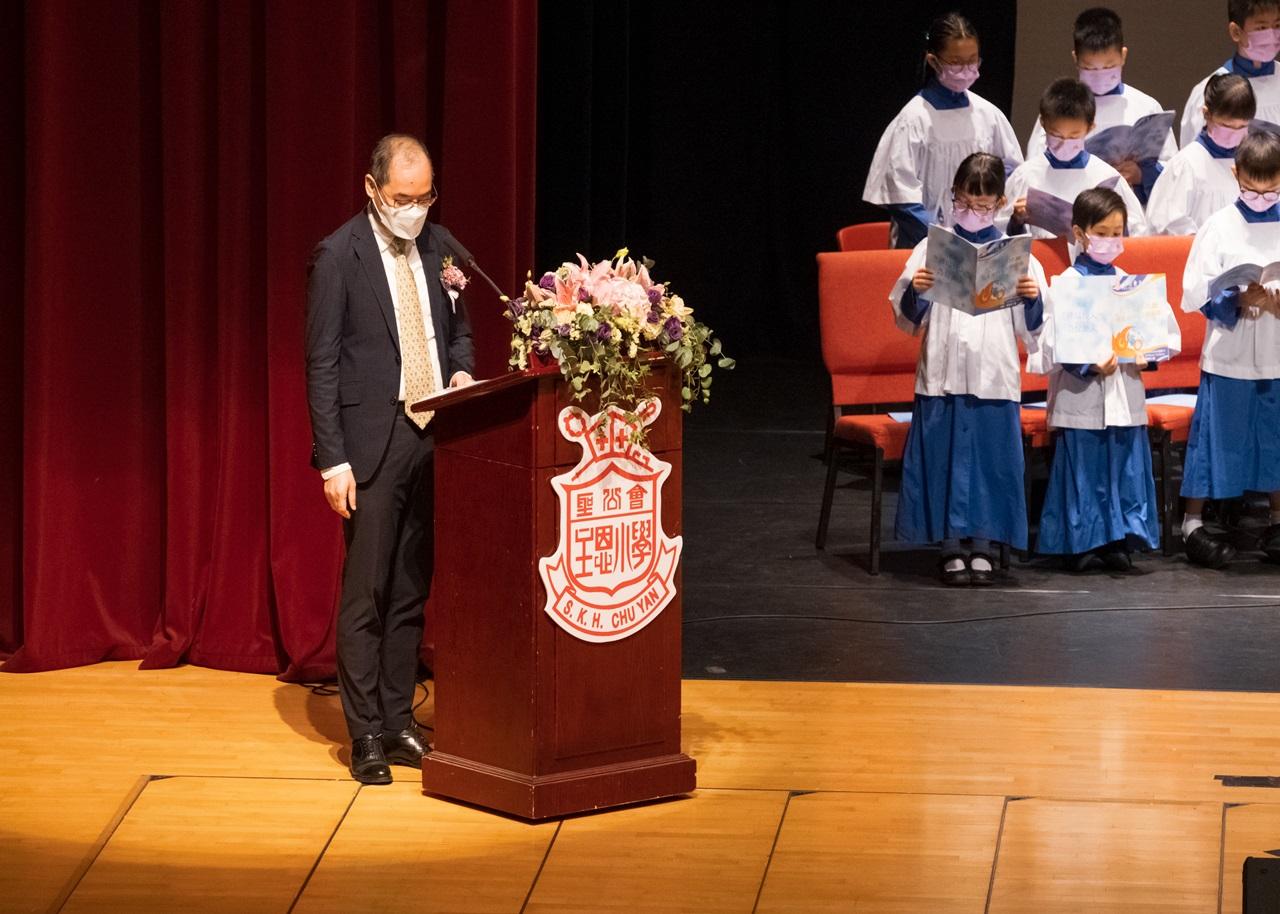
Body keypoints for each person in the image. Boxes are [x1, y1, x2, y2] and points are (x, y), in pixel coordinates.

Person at [305, 134, 476, 783]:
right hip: (372, 443)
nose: (415, 210)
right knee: (368, 593)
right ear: (373, 190)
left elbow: (459, 331)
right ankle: (366, 733)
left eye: (425, 197)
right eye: (403, 198)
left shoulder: (441, 245)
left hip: (432, 434)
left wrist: (462, 373)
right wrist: (333, 461)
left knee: (410, 588)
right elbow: (321, 364)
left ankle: (400, 719)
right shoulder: (338, 256)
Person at [889, 152, 1047, 585]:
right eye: (963, 202)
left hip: (992, 374)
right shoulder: (931, 249)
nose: (971, 211)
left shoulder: (1018, 257)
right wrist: (918, 290)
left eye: (982, 205)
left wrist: (1032, 299)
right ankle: (949, 546)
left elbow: (1035, 328)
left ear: (999, 203)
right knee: (944, 460)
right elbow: (907, 316)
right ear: (953, 196)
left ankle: (983, 545)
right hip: (943, 371)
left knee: (990, 463)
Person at [1035, 188, 1180, 569]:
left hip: (1123, 390)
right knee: (1085, 468)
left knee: (1122, 465)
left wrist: (1147, 355)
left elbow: (1164, 334)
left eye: (1118, 233)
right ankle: (1082, 543)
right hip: (1081, 394)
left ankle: (1117, 540)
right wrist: (1087, 364)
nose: (1111, 241)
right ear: (1080, 233)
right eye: (1102, 233)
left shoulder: (1131, 284)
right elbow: (1049, 341)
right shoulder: (1066, 284)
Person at [1178, 131, 1280, 568]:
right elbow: (1194, 291)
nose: (1261, 199)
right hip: (1230, 352)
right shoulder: (1218, 225)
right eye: (1252, 190)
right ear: (1236, 174)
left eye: (1271, 191)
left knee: (1274, 437)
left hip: (1274, 349)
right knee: (1215, 439)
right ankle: (1192, 523)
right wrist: (1237, 299)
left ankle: (1276, 519)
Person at [863, 12, 1023, 249]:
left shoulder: (988, 115)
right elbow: (900, 194)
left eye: (972, 61)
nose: (966, 70)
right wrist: (943, 237)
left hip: (980, 239)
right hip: (925, 243)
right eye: (956, 63)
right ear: (933, 60)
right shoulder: (914, 119)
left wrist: (987, 221)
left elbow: (1011, 173)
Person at [1024, 8, 1175, 207]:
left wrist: (1141, 174)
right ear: (1075, 59)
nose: (1100, 76)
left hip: (1124, 209)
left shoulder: (1146, 106)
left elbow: (1173, 169)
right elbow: (1036, 166)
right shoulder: (1061, 107)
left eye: (1109, 67)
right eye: (1089, 68)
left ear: (1123, 56)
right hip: (1073, 205)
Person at [1003, 77, 1149, 244]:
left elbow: (1137, 234)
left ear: (1090, 128)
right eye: (1056, 136)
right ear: (1043, 124)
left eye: (1074, 137)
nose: (1064, 144)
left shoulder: (1106, 178)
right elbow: (1000, 233)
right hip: (1039, 259)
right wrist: (1016, 221)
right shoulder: (1025, 176)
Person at [1148, 74, 1257, 235]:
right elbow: (1168, 224)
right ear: (1206, 114)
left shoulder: (1252, 163)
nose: (1233, 135)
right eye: (1226, 126)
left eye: (1241, 127)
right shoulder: (1186, 164)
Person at [1178, 0, 1280, 147]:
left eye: (1277, 26)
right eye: (1261, 28)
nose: (1272, 36)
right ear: (1236, 32)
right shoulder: (1209, 93)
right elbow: (1193, 155)